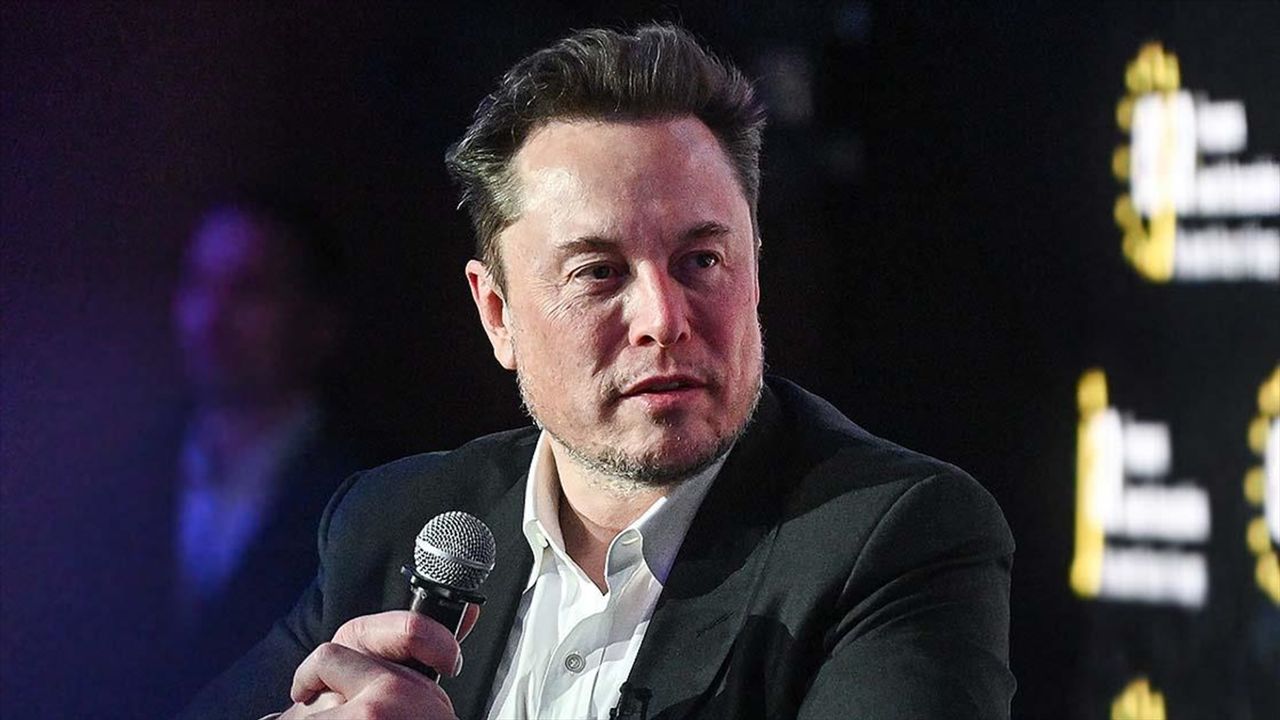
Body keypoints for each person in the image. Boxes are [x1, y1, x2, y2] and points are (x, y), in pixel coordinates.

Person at [180, 24, 1014, 720]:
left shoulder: (897, 539)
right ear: (498, 313)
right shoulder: (397, 522)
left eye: (701, 259)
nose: (663, 318)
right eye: (599, 273)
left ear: (755, 268)